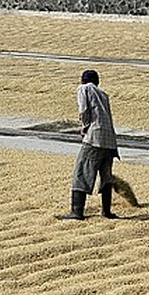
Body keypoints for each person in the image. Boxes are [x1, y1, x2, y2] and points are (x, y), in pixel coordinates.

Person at [59, 69, 120, 220]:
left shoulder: (83, 89)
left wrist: (84, 127)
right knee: (106, 176)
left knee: (82, 172)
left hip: (94, 137)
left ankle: (77, 212)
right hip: (110, 139)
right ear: (97, 81)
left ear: (82, 80)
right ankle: (107, 212)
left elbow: (84, 110)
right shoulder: (103, 94)